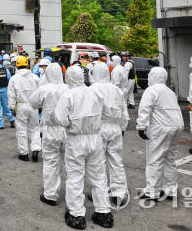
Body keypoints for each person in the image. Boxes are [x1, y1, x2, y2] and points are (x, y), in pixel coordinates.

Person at [55, 65, 113, 229]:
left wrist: (71, 125)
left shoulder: (68, 95)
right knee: (99, 176)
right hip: (95, 138)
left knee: (75, 176)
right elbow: (107, 113)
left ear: (68, 78)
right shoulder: (95, 92)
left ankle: (76, 215)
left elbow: (61, 118)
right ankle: (103, 213)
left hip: (76, 140)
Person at [136, 67, 184, 200]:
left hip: (161, 127)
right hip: (177, 126)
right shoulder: (170, 91)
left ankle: (152, 191)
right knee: (169, 158)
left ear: (153, 76)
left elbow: (145, 108)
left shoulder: (151, 90)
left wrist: (141, 126)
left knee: (154, 159)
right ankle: (171, 189)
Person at [89, 63, 129, 206]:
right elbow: (124, 111)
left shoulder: (92, 89)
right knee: (116, 160)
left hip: (98, 128)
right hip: (115, 127)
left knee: (98, 162)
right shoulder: (116, 90)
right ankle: (118, 193)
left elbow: (89, 112)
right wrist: (123, 127)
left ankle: (100, 193)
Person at [30, 63, 69, 206]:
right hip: (66, 129)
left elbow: (33, 103)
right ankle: (74, 192)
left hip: (50, 130)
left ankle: (50, 195)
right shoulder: (69, 88)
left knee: (50, 162)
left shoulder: (44, 89)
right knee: (70, 162)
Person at [8, 55, 41, 161]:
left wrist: (12, 108)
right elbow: (40, 93)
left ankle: (24, 154)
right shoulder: (35, 77)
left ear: (17, 66)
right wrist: (39, 106)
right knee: (35, 128)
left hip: (21, 106)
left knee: (21, 130)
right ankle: (35, 149)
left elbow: (11, 95)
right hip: (34, 106)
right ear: (27, 65)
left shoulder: (14, 79)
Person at [0, 55, 15, 129]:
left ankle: (0, 125)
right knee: (7, 106)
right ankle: (12, 120)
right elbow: (9, 80)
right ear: (1, 62)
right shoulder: (6, 70)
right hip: (5, 91)